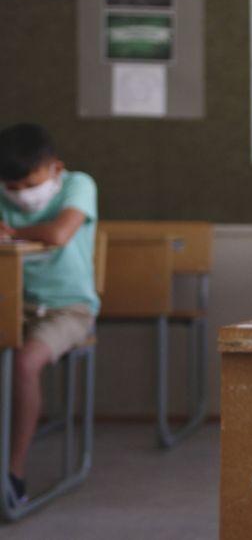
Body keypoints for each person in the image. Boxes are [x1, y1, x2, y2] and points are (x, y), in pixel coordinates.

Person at [0, 123, 98, 507]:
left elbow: (59, 234)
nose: (22, 195)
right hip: (12, 301)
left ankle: (14, 473)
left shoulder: (79, 185)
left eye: (30, 184)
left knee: (25, 364)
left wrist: (12, 235)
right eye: (13, 188)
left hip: (68, 307)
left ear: (55, 168)